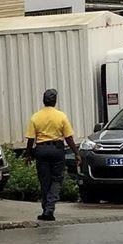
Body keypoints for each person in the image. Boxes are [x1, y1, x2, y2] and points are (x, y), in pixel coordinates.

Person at [24, 89, 79, 221]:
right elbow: (68, 137)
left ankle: (46, 210)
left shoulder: (35, 117)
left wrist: (28, 154)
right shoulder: (61, 116)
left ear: (43, 101)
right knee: (57, 179)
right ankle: (49, 208)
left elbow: (31, 139)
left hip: (41, 150)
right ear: (55, 101)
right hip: (57, 150)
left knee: (44, 181)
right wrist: (76, 153)